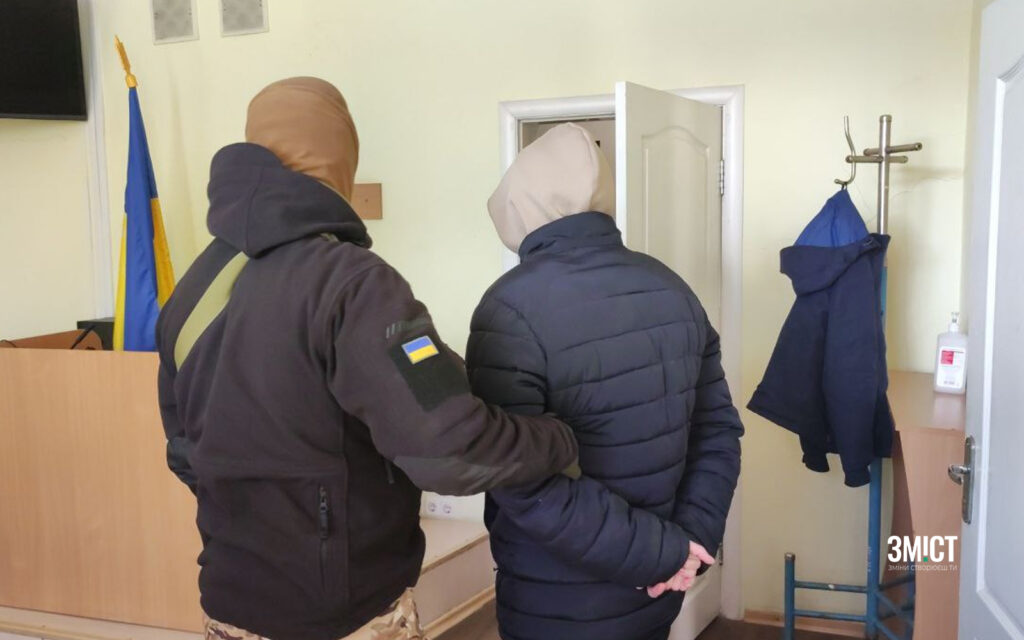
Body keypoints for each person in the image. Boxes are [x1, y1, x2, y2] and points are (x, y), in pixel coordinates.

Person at [155, 77, 578, 640]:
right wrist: (560, 440)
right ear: (340, 160)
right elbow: (452, 450)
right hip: (345, 616)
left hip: (227, 608)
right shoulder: (354, 286)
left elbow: (186, 454)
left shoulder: (191, 291)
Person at [466, 123, 744, 640]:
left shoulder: (508, 308)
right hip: (657, 589)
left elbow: (520, 479)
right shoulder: (672, 288)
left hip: (556, 603)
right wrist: (690, 546)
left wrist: (670, 553)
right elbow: (718, 434)